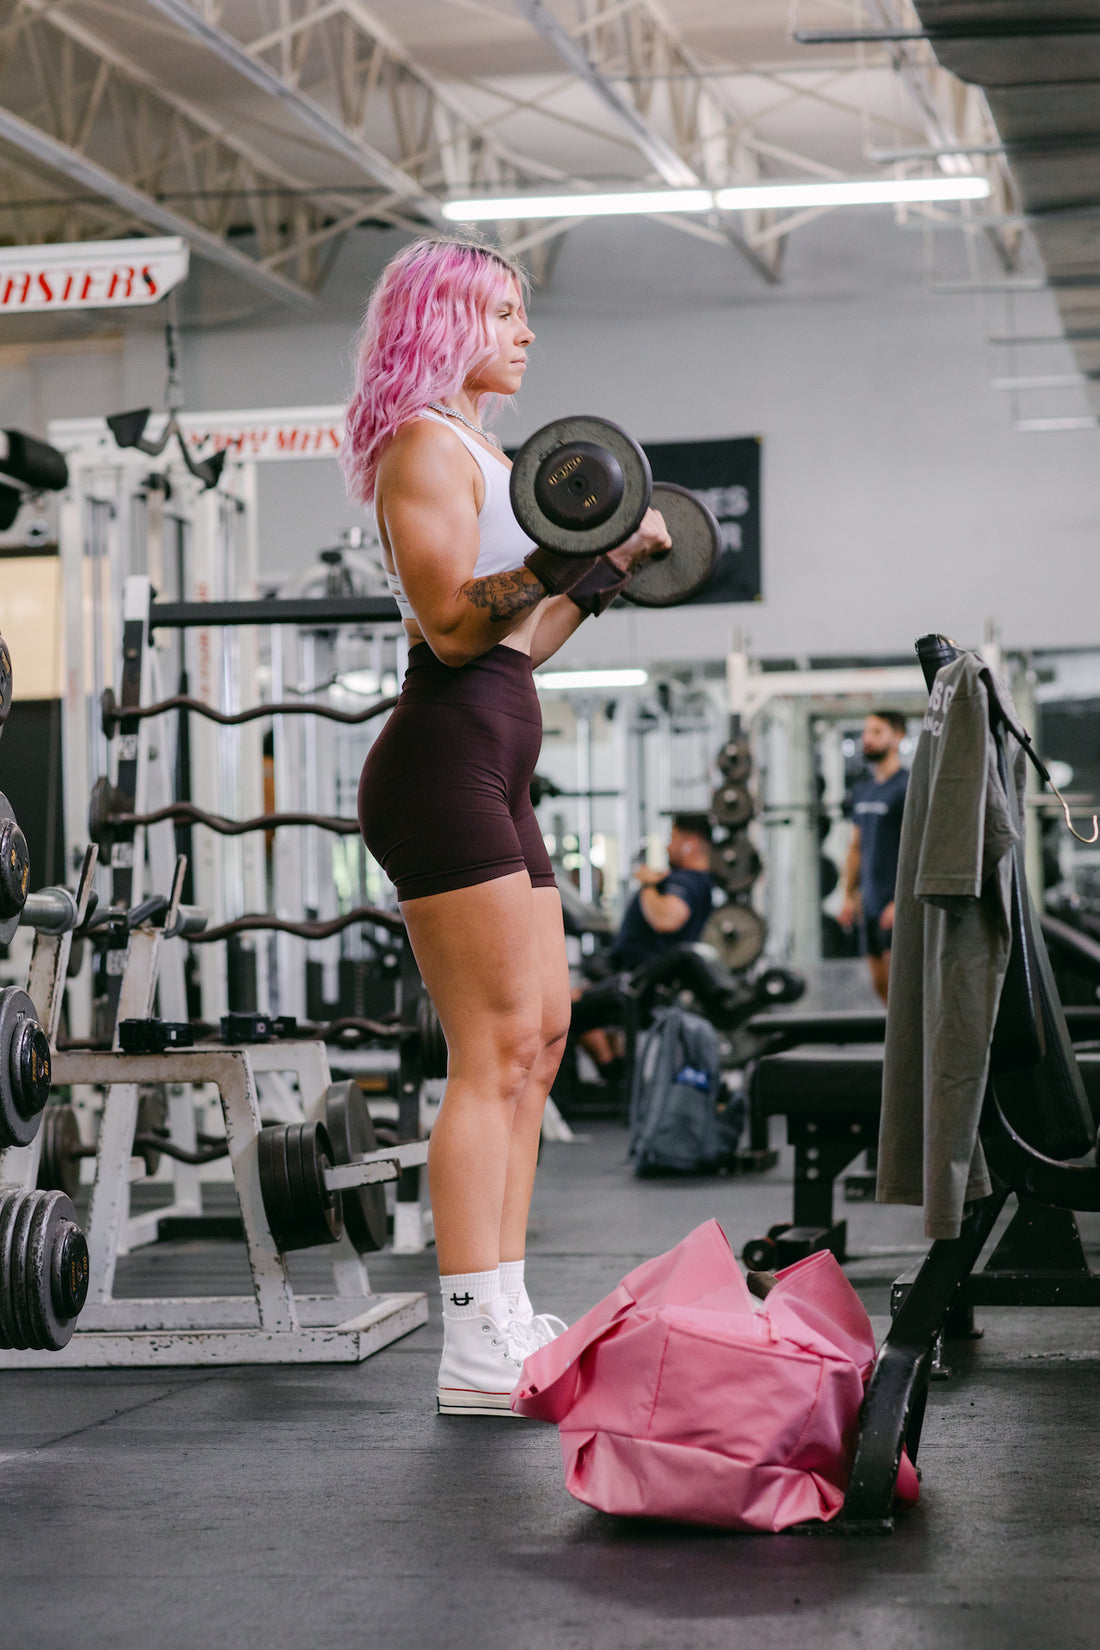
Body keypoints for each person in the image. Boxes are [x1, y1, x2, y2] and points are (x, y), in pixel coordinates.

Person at [340, 237, 670, 1415]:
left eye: (526, 312)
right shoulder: (423, 446)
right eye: (503, 311)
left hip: (495, 756)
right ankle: (470, 1338)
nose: (526, 332)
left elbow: (520, 642)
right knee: (488, 1058)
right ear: (444, 321)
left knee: (539, 1042)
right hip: (439, 765)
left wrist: (604, 566)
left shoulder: (487, 451)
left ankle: (509, 1303)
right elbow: (448, 624)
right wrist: (559, 549)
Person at [572, 814, 716, 1085]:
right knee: (573, 1002)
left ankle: (615, 1080)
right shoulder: (692, 881)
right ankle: (617, 1077)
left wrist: (648, 883)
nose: (667, 847)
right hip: (631, 976)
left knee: (563, 1010)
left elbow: (667, 919)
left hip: (640, 984)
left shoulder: (687, 881)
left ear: (691, 843)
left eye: (673, 839)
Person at [839, 710, 909, 1003]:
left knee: (902, 991)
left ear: (897, 737)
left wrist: (900, 900)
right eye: (866, 732)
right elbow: (856, 846)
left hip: (897, 903)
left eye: (877, 732)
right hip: (869, 902)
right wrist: (847, 894)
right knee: (882, 988)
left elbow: (916, 847)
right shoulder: (863, 790)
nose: (867, 739)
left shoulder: (908, 786)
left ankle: (913, 1049)